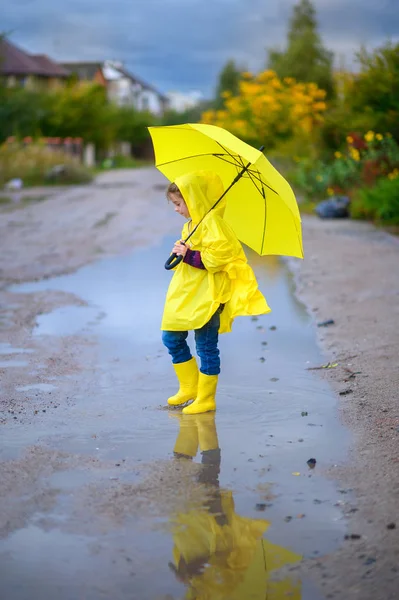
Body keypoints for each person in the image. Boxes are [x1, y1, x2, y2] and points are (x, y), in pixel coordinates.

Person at [162, 170, 270, 414]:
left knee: (206, 346)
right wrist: (183, 250)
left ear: (194, 199)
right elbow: (192, 257)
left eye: (179, 204)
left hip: (210, 295)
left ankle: (206, 398)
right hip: (189, 293)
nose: (176, 209)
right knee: (171, 336)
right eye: (174, 204)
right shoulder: (191, 225)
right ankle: (189, 387)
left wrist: (188, 254)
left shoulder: (213, 223)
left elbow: (220, 257)